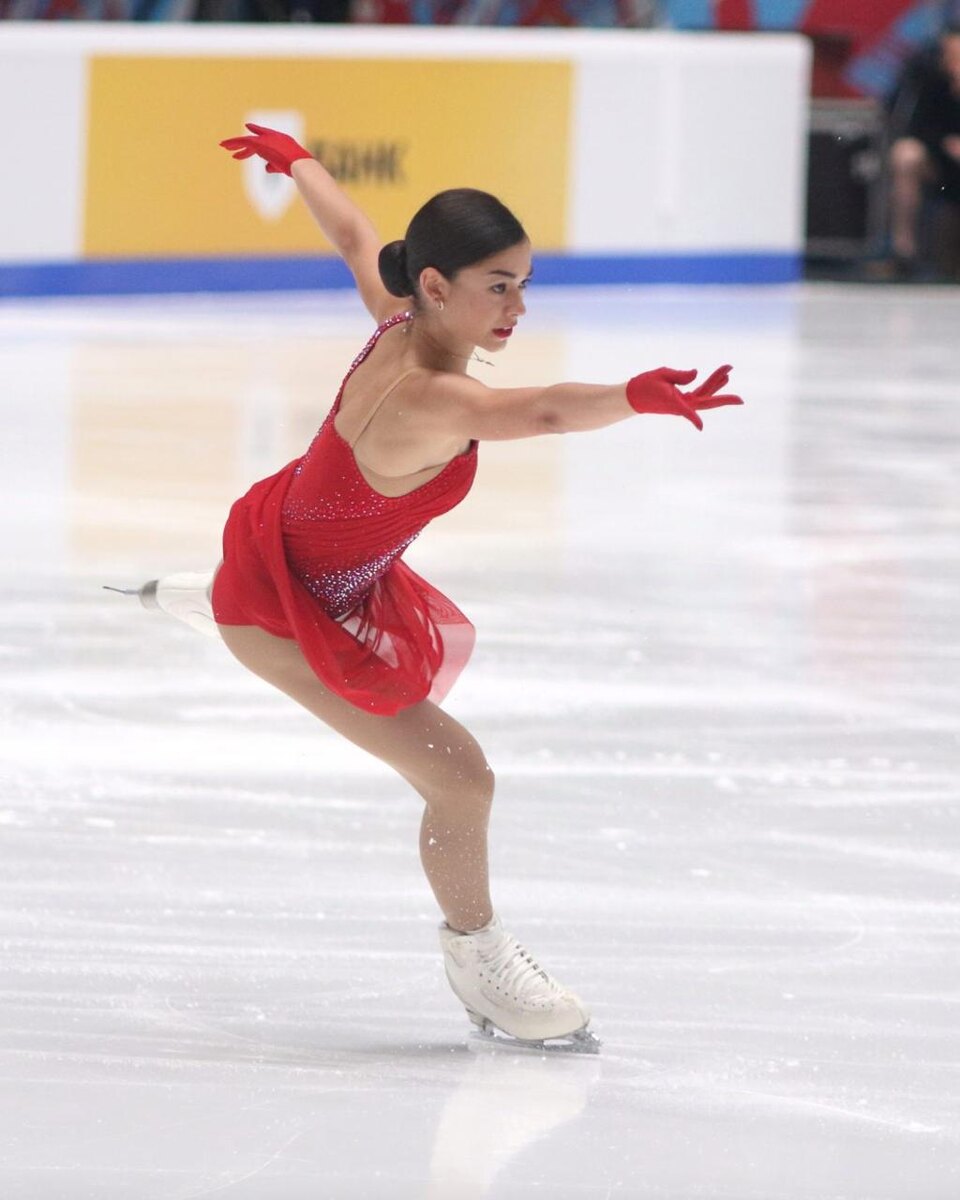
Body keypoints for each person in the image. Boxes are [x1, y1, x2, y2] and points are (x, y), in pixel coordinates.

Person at [119, 123, 742, 1052]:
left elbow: (354, 237)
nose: (518, 308)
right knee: (461, 779)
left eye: (524, 283)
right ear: (440, 286)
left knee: (438, 751)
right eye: (501, 286)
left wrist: (299, 163)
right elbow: (539, 410)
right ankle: (478, 959)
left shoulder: (396, 314)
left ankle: (218, 600)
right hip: (291, 610)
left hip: (291, 548)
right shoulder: (431, 399)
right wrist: (634, 397)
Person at [887, 24, 960, 275]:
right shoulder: (926, 77)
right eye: (950, 54)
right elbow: (912, 126)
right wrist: (944, 143)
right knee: (906, 154)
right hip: (938, 160)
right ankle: (903, 250)